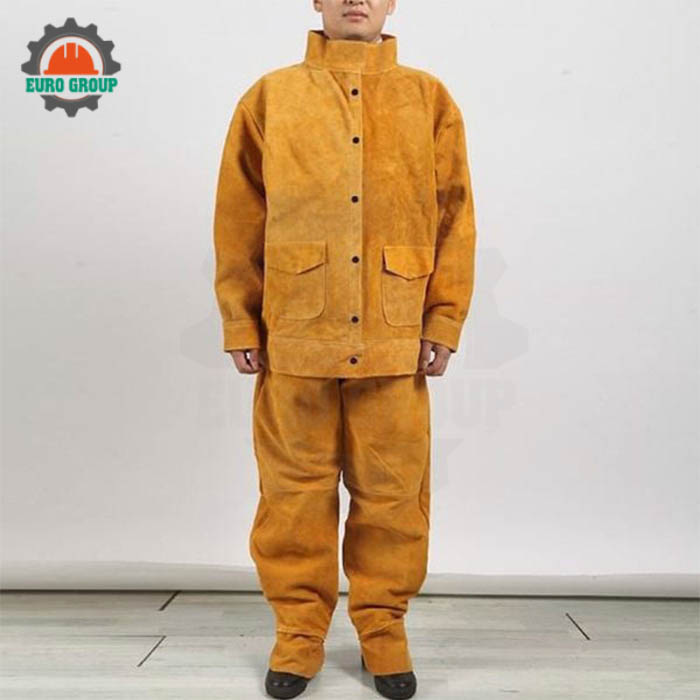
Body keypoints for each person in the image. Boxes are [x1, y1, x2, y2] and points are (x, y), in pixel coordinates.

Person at [212, 1, 477, 697]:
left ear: (391, 3)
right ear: (317, 0)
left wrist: (443, 319)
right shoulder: (271, 97)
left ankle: (383, 629)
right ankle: (298, 634)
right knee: (292, 496)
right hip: (295, 337)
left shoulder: (429, 98)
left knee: (393, 496)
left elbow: (455, 216)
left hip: (394, 338)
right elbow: (239, 216)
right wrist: (241, 321)